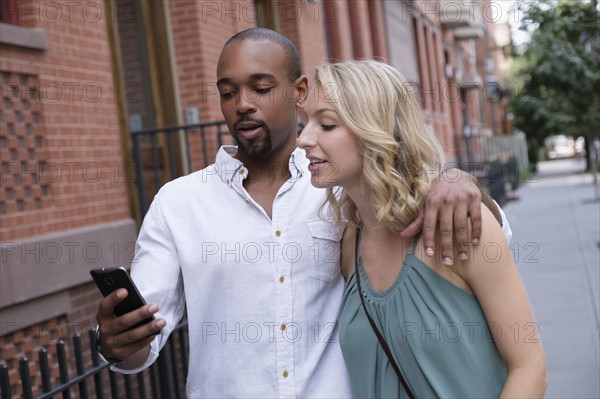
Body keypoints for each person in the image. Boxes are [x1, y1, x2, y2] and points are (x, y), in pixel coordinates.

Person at [95, 28, 511, 397]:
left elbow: (487, 237)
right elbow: (143, 340)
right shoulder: (178, 202)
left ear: (298, 91)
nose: (242, 104)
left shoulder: (341, 183)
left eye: (260, 88)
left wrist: (457, 183)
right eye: (227, 92)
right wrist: (119, 345)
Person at [297, 59, 547, 397]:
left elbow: (529, 369)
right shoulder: (348, 244)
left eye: (326, 125)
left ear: (375, 130)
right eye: (305, 123)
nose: (303, 139)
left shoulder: (456, 225)